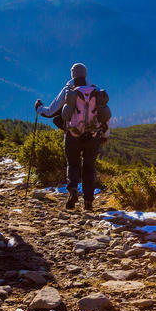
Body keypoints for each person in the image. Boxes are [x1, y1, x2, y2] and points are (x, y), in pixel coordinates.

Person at [35, 63, 107, 211]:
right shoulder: (96, 91)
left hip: (72, 134)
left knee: (73, 164)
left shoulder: (68, 90)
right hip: (93, 135)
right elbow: (104, 116)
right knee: (89, 168)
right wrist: (105, 135)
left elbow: (50, 111)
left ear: (72, 75)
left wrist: (39, 108)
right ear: (85, 74)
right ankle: (88, 202)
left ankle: (73, 191)